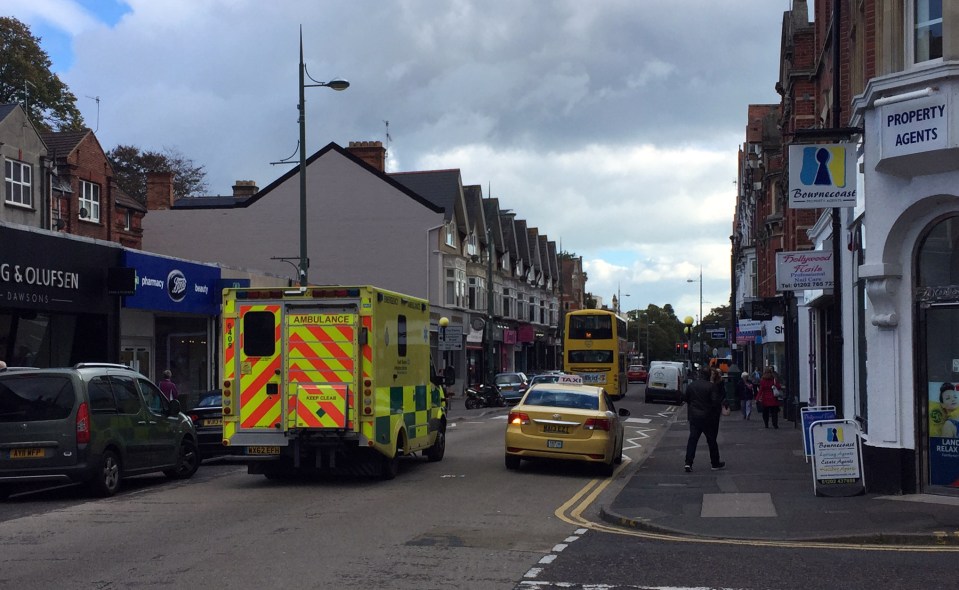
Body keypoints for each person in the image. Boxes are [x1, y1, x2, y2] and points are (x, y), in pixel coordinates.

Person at [684, 367, 725, 472]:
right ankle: (715, 463)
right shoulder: (711, 387)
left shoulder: (692, 385)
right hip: (708, 418)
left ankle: (688, 463)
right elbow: (715, 402)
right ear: (708, 376)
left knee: (692, 440)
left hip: (694, 417)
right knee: (711, 441)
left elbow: (686, 399)